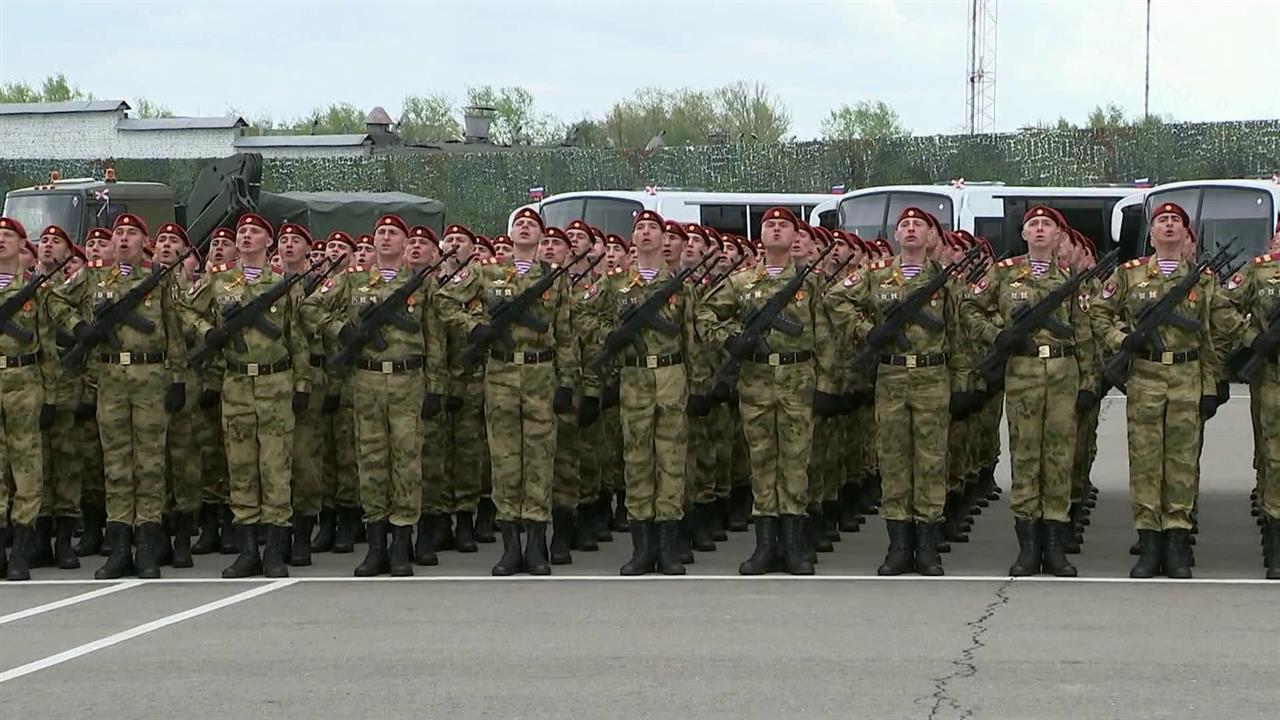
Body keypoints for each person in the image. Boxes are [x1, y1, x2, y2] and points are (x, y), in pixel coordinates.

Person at [826, 207, 973, 577]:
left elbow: (959, 334)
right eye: (904, 225)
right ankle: (898, 546)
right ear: (896, 235)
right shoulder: (876, 275)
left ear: (930, 237)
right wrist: (866, 331)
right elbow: (835, 300)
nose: (910, 230)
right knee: (893, 461)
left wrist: (961, 384)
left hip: (932, 376)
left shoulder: (945, 279)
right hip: (891, 376)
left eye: (918, 225)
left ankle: (927, 548)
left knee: (930, 461)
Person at [698, 207, 837, 576]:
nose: (776, 230)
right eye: (769, 225)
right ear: (761, 236)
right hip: (756, 379)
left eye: (784, 225)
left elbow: (825, 335)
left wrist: (826, 385)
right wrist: (732, 341)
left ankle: (793, 546)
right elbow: (704, 315)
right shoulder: (741, 282)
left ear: (796, 237)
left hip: (798, 378)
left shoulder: (811, 282)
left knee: (795, 462)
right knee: (761, 463)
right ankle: (764, 546)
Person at [439, 207, 578, 576]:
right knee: (504, 460)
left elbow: (565, 335)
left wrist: (566, 382)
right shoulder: (487, 274)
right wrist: (474, 328)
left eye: (532, 225)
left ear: (542, 237)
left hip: (540, 372)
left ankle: (536, 546)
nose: (525, 228)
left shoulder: (554, 278)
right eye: (520, 224)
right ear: (511, 234)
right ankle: (510, 546)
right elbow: (444, 300)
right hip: (500, 372)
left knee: (538, 459)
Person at [49, 213, 186, 580]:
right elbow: (54, 301)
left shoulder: (160, 279)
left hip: (150, 375)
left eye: (131, 233)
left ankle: (147, 544)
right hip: (110, 377)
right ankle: (120, 543)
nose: (123, 239)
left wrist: (178, 379)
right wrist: (80, 328)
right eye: (118, 234)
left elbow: (175, 330)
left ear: (146, 242)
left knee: (150, 463)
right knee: (116, 463)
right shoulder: (93, 276)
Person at [961, 207, 1095, 576]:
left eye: (1046, 225)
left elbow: (1085, 333)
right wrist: (998, 336)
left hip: (1064, 374)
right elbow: (969, 307)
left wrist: (1089, 382)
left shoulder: (1072, 278)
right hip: (1022, 372)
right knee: (1024, 457)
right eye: (1032, 225)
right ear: (1023, 234)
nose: (1039, 230)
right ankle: (1027, 548)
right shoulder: (1003, 275)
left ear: (1058, 236)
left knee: (1059, 458)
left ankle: (1054, 548)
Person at [1091, 202, 1222, 579]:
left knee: (1181, 463)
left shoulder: (1203, 279)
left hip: (1187, 374)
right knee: (1146, 462)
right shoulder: (1129, 275)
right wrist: (1123, 339)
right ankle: (1149, 545)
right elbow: (1100, 313)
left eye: (1175, 221)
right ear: (1151, 235)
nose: (1168, 226)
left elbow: (1212, 335)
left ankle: (1177, 545)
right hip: (1146, 375)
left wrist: (1211, 385)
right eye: (1161, 221)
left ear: (1185, 234)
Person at [184, 214, 310, 579]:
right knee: (241, 468)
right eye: (242, 232)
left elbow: (296, 338)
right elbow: (186, 312)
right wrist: (208, 333)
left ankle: (274, 551)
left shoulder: (285, 284)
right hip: (237, 384)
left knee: (275, 467)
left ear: (268, 241)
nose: (247, 236)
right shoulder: (218, 281)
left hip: (275, 383)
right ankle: (248, 549)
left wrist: (302, 385)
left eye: (255, 231)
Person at [585, 211, 704, 575]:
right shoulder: (614, 283)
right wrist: (612, 336)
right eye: (641, 228)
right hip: (634, 378)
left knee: (670, 461)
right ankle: (642, 549)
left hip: (670, 375)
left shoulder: (681, 285)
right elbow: (583, 317)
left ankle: (667, 548)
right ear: (632, 239)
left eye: (655, 228)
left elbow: (691, 338)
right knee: (637, 461)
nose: (648, 233)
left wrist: (698, 385)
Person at [326, 215, 445, 576]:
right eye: (381, 233)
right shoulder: (352, 281)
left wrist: (436, 387)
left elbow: (436, 339)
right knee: (371, 462)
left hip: (408, 381)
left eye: (395, 233)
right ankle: (375, 546)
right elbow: (310, 308)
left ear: (407, 243)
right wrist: (344, 331)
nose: (387, 238)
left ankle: (400, 546)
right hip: (367, 382)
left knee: (406, 463)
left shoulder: (423, 285)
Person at [432, 224, 492, 559]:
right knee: (439, 450)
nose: (454, 245)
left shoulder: (481, 284)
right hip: (438, 378)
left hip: (471, 377)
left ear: (472, 249)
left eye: (461, 241)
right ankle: (440, 518)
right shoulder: (431, 283)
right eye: (450, 240)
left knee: (469, 452)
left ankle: (466, 517)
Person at [0, 218, 53, 581]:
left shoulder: (36, 290)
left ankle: (21, 548)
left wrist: (51, 395)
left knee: (26, 467)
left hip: (25, 381)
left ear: (22, 244)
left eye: (7, 236)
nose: (0, 241)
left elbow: (48, 346)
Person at [32, 225, 83, 572]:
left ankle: (64, 539)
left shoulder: (74, 290)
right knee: (34, 465)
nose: (48, 246)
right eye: (44, 241)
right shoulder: (21, 286)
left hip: (64, 384)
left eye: (57, 242)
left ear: (68, 253)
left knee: (65, 462)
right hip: (28, 386)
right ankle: (36, 537)